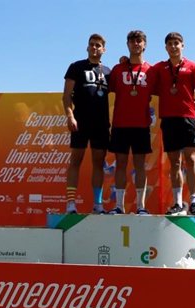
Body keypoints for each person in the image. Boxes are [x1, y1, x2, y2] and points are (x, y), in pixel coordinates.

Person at [148, 32, 195, 215]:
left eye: (176, 43)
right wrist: (126, 61)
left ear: (183, 46)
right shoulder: (159, 68)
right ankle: (178, 202)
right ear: (165, 47)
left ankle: (194, 202)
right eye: (170, 44)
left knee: (191, 160)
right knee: (174, 163)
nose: (173, 46)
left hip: (188, 118)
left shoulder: (193, 67)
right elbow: (142, 72)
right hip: (169, 119)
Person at [63, 33, 111, 214]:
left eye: (98, 45)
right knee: (76, 160)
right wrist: (70, 116)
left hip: (101, 123)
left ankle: (98, 204)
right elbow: (66, 96)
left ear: (104, 49)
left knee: (99, 163)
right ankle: (70, 204)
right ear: (87, 47)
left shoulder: (108, 71)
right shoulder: (76, 67)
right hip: (80, 121)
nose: (95, 48)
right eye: (92, 44)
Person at [107, 30, 153, 215]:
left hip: (141, 124)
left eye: (139, 41)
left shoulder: (152, 70)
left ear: (144, 44)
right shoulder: (118, 69)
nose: (136, 44)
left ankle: (141, 206)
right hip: (120, 124)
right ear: (127, 44)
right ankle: (119, 206)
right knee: (120, 164)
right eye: (132, 41)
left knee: (140, 165)